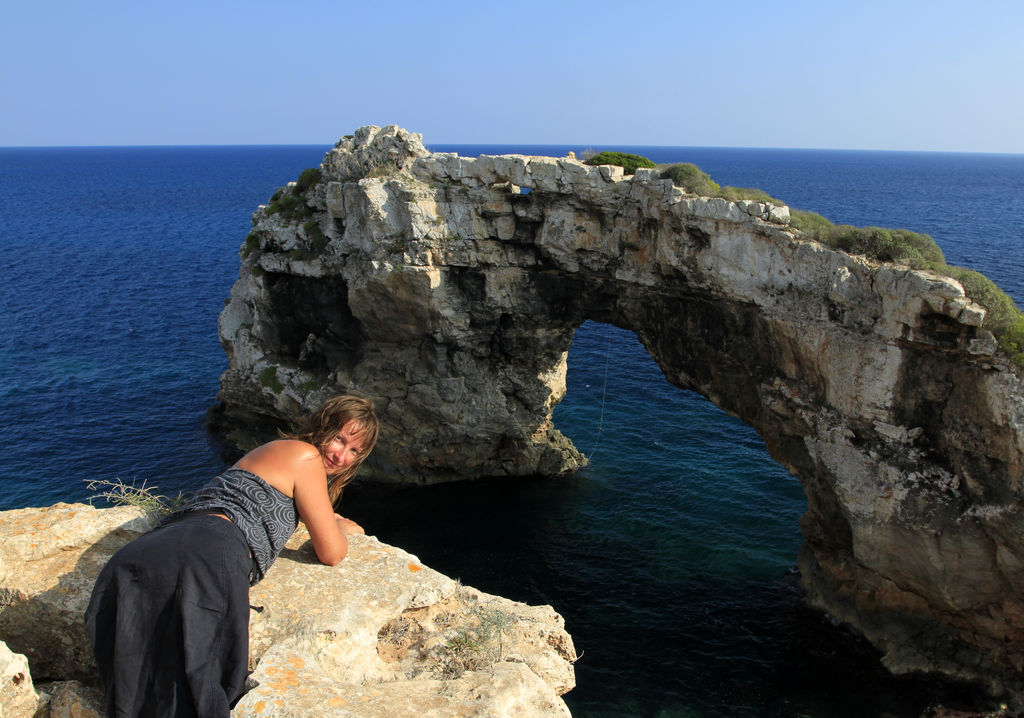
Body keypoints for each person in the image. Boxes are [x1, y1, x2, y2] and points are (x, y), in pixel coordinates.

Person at [85, 394, 379, 718]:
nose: (342, 455)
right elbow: (332, 553)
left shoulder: (274, 453)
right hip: (209, 551)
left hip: (153, 546)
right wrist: (340, 529)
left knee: (135, 688)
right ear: (323, 426)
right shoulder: (306, 457)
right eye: (340, 438)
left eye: (355, 451)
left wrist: (328, 518)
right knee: (203, 687)